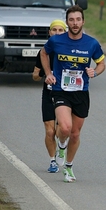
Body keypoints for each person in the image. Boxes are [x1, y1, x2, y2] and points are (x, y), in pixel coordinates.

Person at [41, 5, 106, 183]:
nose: (75, 23)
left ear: (83, 21)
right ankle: (61, 145)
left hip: (81, 92)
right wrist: (48, 73)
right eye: (71, 20)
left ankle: (68, 166)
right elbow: (43, 53)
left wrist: (95, 72)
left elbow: (101, 64)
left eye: (78, 20)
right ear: (67, 22)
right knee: (65, 127)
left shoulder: (91, 43)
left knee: (75, 134)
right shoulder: (57, 41)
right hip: (61, 90)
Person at [32, 19, 67, 173]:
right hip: (48, 93)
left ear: (65, 33)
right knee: (49, 131)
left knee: (61, 131)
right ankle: (52, 161)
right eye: (54, 30)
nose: (57, 33)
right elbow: (34, 75)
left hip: (65, 95)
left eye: (60, 30)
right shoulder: (43, 52)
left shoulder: (68, 51)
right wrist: (43, 74)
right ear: (49, 32)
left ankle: (62, 146)